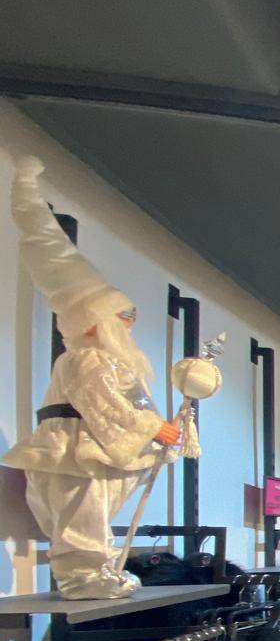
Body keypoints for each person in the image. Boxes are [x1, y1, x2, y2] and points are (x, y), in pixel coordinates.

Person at [3, 156, 188, 599]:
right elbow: (103, 403)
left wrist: (166, 429)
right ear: (97, 320)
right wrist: (153, 427)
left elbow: (127, 402)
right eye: (122, 315)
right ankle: (83, 576)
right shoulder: (86, 360)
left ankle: (95, 570)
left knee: (94, 510)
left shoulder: (111, 361)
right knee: (82, 509)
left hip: (93, 447)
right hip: (76, 448)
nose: (129, 323)